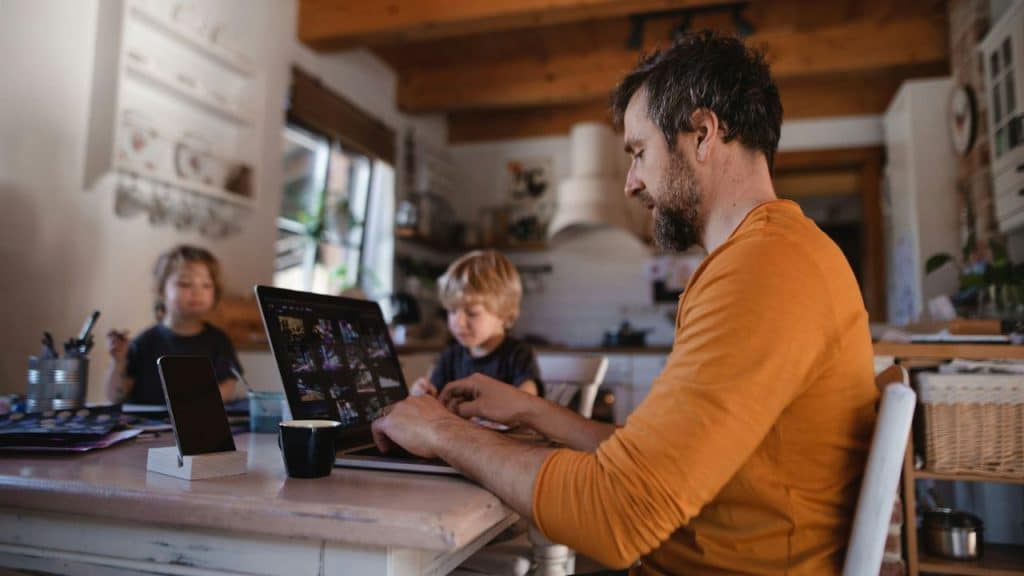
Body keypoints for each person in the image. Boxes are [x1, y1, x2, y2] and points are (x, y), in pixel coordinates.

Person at [371, 30, 879, 575]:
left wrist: (439, 431)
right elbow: (650, 464)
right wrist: (530, 410)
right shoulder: (773, 254)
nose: (631, 184)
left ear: (703, 134)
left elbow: (617, 514)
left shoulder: (764, 269)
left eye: (639, 152)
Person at [105, 245, 240, 405]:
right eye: (184, 284)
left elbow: (228, 386)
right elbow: (115, 398)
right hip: (147, 425)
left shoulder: (219, 341)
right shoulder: (145, 342)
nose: (197, 292)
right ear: (161, 291)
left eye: (206, 285)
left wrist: (195, 405)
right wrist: (118, 361)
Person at [409, 250, 542, 398]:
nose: (458, 322)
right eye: (452, 311)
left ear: (503, 313)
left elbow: (528, 401)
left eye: (472, 313)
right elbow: (431, 398)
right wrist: (421, 393)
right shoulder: (450, 357)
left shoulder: (519, 355)